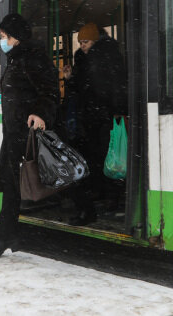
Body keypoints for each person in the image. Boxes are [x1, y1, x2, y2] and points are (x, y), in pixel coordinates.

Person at [0, 13, 59, 259]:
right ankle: (6, 237)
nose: (1, 41)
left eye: (4, 36)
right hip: (13, 135)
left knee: (26, 184)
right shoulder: (16, 59)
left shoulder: (33, 58)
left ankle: (5, 238)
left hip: (26, 135)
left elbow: (50, 91)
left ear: (15, 37)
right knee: (13, 188)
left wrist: (39, 112)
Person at [62, 23, 128, 225]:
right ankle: (102, 193)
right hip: (89, 117)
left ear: (95, 40)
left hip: (104, 116)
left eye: (86, 41)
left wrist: (118, 110)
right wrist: (69, 78)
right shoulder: (82, 58)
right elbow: (80, 88)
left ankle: (112, 196)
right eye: (80, 42)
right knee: (96, 157)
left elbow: (115, 85)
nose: (82, 45)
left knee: (107, 156)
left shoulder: (106, 54)